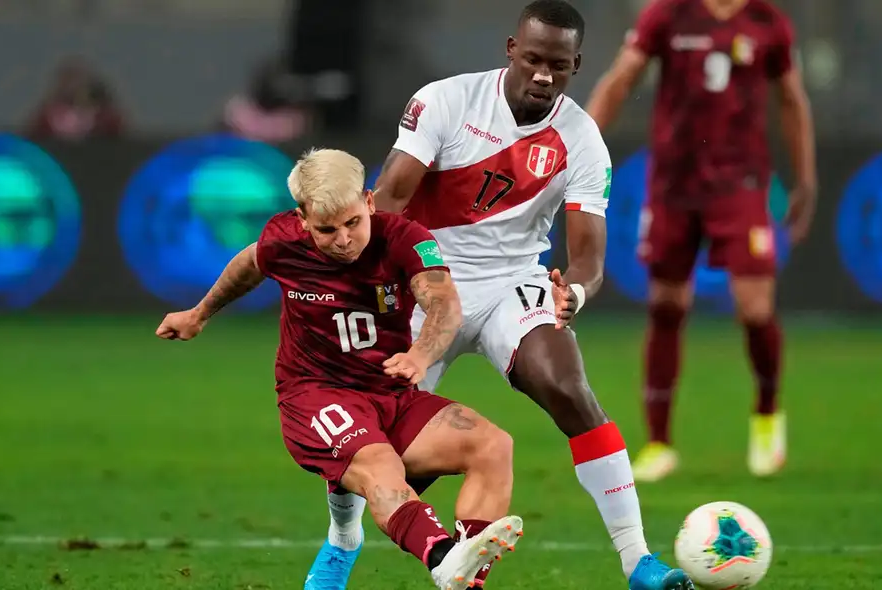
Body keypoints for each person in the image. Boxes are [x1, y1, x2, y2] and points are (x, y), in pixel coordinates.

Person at [305, 2, 693, 590]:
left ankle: (637, 560)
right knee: (374, 444)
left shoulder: (582, 140)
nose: (543, 75)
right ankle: (342, 539)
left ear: (576, 65)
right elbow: (391, 198)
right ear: (511, 50)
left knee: (568, 387)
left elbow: (588, 256)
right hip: (424, 279)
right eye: (533, 59)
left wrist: (575, 292)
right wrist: (359, 278)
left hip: (511, 282)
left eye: (557, 66)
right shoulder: (446, 101)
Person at [155, 148, 524, 590]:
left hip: (389, 392)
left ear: (369, 201)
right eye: (327, 230)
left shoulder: (406, 239)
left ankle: (463, 579)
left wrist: (421, 356)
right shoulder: (283, 241)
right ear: (303, 220)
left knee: (492, 447)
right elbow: (250, 264)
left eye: (353, 223)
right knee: (379, 464)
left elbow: (444, 303)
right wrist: (199, 313)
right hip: (314, 393)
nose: (344, 239)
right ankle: (443, 558)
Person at [584, 0, 817, 482]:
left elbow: (792, 101)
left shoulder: (767, 21)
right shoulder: (667, 14)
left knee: (755, 309)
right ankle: (659, 443)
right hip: (673, 185)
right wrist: (579, 145)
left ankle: (767, 414)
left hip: (741, 184)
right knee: (666, 305)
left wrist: (806, 178)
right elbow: (621, 79)